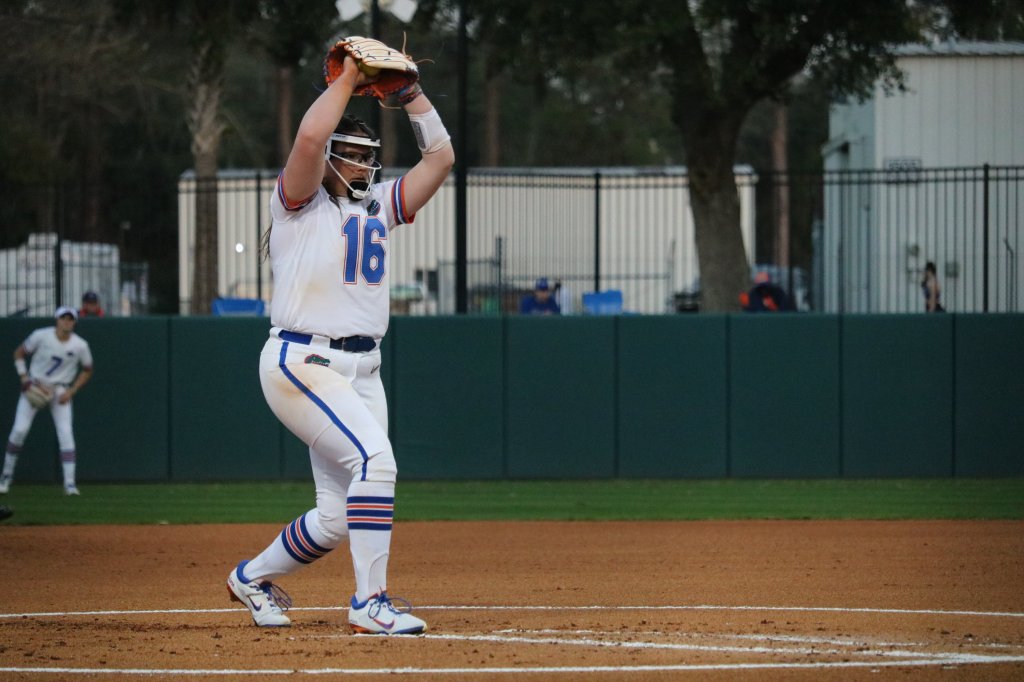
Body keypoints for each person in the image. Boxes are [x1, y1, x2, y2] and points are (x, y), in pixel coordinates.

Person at [225, 47, 453, 635]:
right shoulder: (299, 204)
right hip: (304, 360)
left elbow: (440, 157)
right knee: (377, 462)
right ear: (329, 159)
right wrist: (350, 77)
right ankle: (370, 602)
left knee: (336, 517)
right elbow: (308, 139)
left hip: (363, 368)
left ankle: (250, 578)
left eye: (367, 155)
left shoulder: (378, 207)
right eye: (350, 154)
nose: (362, 164)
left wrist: (410, 96)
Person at [0, 306, 94, 496]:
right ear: (56, 320)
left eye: (70, 319)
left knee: (66, 433)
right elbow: (19, 353)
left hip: (60, 390)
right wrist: (24, 378)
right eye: (63, 318)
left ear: (74, 322)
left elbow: (88, 369)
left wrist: (72, 390)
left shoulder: (80, 345)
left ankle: (70, 484)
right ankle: (6, 476)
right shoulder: (41, 335)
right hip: (36, 386)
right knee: (19, 430)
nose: (66, 322)